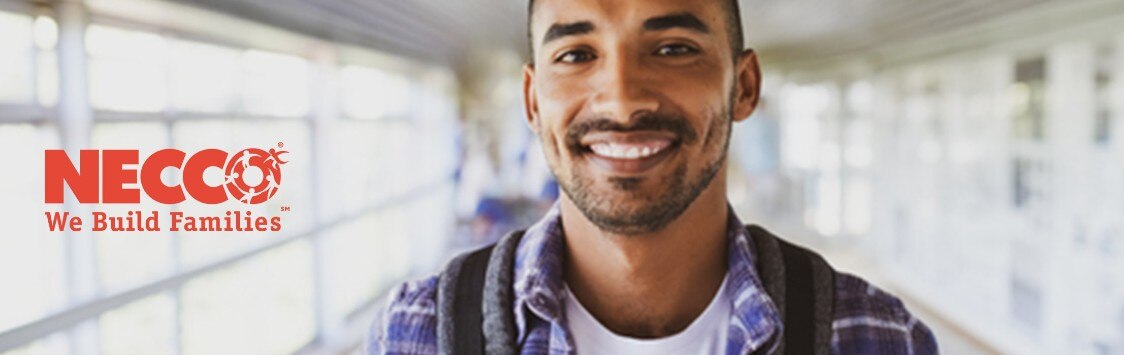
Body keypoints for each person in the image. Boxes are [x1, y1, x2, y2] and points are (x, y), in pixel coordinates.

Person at [367, 0, 938, 353]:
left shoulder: (875, 337)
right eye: (575, 54)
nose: (621, 99)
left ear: (743, 87)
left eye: (672, 48)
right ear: (532, 99)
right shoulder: (420, 333)